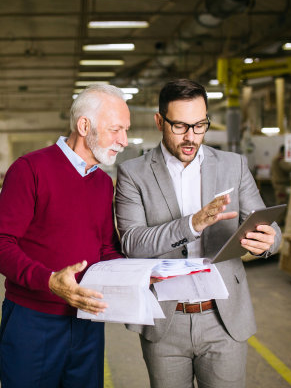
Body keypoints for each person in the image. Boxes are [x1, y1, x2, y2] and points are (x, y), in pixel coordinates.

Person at [115, 79, 281, 388]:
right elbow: (133, 244)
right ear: (158, 120)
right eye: (179, 126)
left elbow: (265, 224)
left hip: (224, 319)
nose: (191, 137)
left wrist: (270, 241)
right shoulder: (133, 173)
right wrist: (192, 224)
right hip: (165, 321)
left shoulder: (234, 165)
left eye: (200, 125)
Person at [0, 84, 130, 388]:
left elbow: (105, 247)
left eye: (125, 130)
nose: (124, 141)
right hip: (33, 321)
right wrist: (49, 281)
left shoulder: (103, 183)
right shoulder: (30, 169)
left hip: (87, 320)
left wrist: (137, 275)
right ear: (84, 125)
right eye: (116, 130)